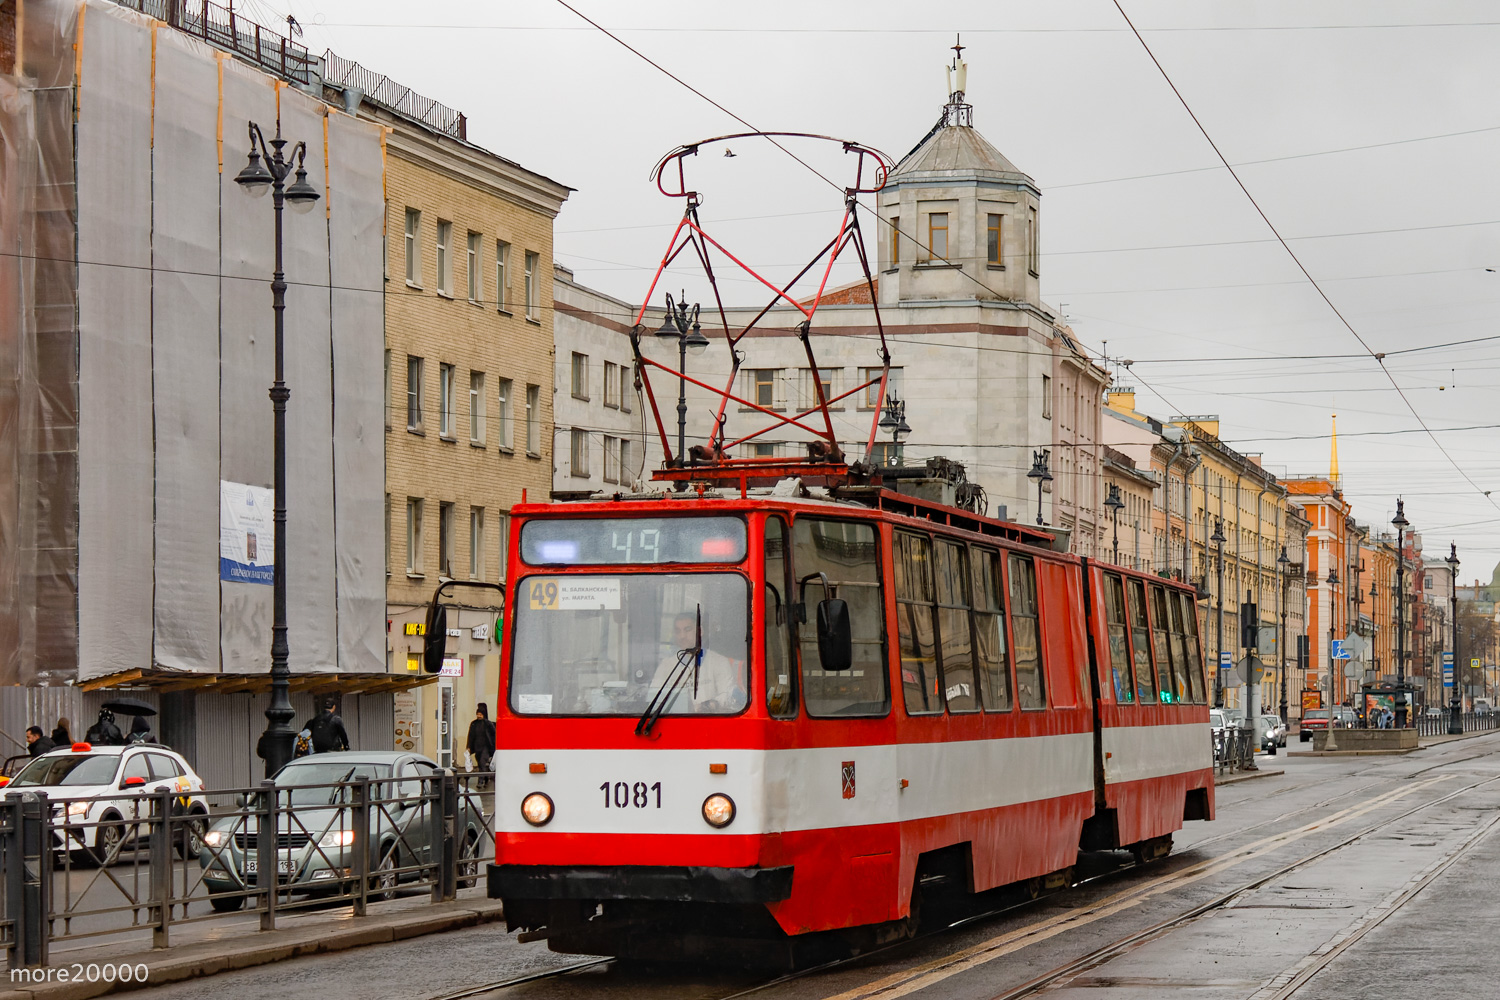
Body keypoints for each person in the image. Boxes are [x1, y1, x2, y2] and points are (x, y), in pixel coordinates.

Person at [646, 613, 746, 713]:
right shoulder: (666, 665)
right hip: (675, 723)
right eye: (678, 631)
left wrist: (709, 705)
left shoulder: (719, 662)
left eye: (687, 630)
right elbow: (654, 698)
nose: (682, 636)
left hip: (710, 722)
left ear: (700, 631)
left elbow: (728, 695)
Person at [466, 704, 496, 786]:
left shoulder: (488, 724)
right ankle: (486, 778)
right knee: (480, 764)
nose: (479, 716)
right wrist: (468, 746)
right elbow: (471, 736)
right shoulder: (474, 724)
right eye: (477, 714)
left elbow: (494, 733)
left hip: (486, 747)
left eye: (480, 714)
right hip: (477, 747)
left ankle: (480, 781)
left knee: (482, 762)